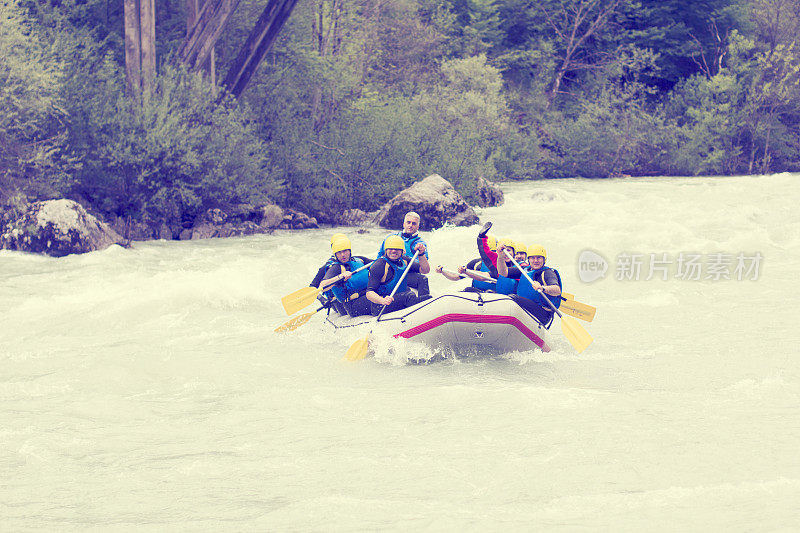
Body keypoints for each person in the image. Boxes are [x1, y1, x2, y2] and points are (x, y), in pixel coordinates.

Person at [496, 243, 562, 327]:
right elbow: (503, 272)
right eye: (532, 258)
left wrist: (543, 288)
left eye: (539, 258)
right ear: (529, 259)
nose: (535, 261)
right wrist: (500, 257)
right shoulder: (524, 270)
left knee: (514, 298)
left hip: (543, 314)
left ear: (544, 259)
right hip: (528, 308)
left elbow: (557, 290)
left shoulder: (548, 273)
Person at [366, 235, 431, 315]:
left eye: (397, 249)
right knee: (408, 296)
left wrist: (421, 254)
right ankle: (424, 305)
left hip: (398, 297)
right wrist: (382, 300)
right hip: (381, 306)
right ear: (386, 250)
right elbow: (369, 293)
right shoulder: (379, 265)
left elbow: (425, 270)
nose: (393, 251)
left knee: (418, 284)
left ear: (402, 251)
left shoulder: (404, 260)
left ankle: (424, 309)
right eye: (390, 249)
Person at [377, 211, 430, 297]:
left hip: (407, 274)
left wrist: (420, 253)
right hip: (390, 271)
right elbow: (380, 255)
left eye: (414, 223)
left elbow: (423, 268)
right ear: (403, 224)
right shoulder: (390, 237)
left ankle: (423, 302)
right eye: (408, 222)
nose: (410, 225)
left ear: (418, 227)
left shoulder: (420, 243)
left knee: (422, 279)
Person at [318, 237, 372, 317]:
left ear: (350, 251)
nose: (342, 255)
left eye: (345, 251)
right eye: (339, 252)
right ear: (335, 254)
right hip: (353, 306)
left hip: (366, 295)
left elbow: (378, 264)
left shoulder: (359, 260)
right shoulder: (336, 268)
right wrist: (340, 277)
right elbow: (322, 286)